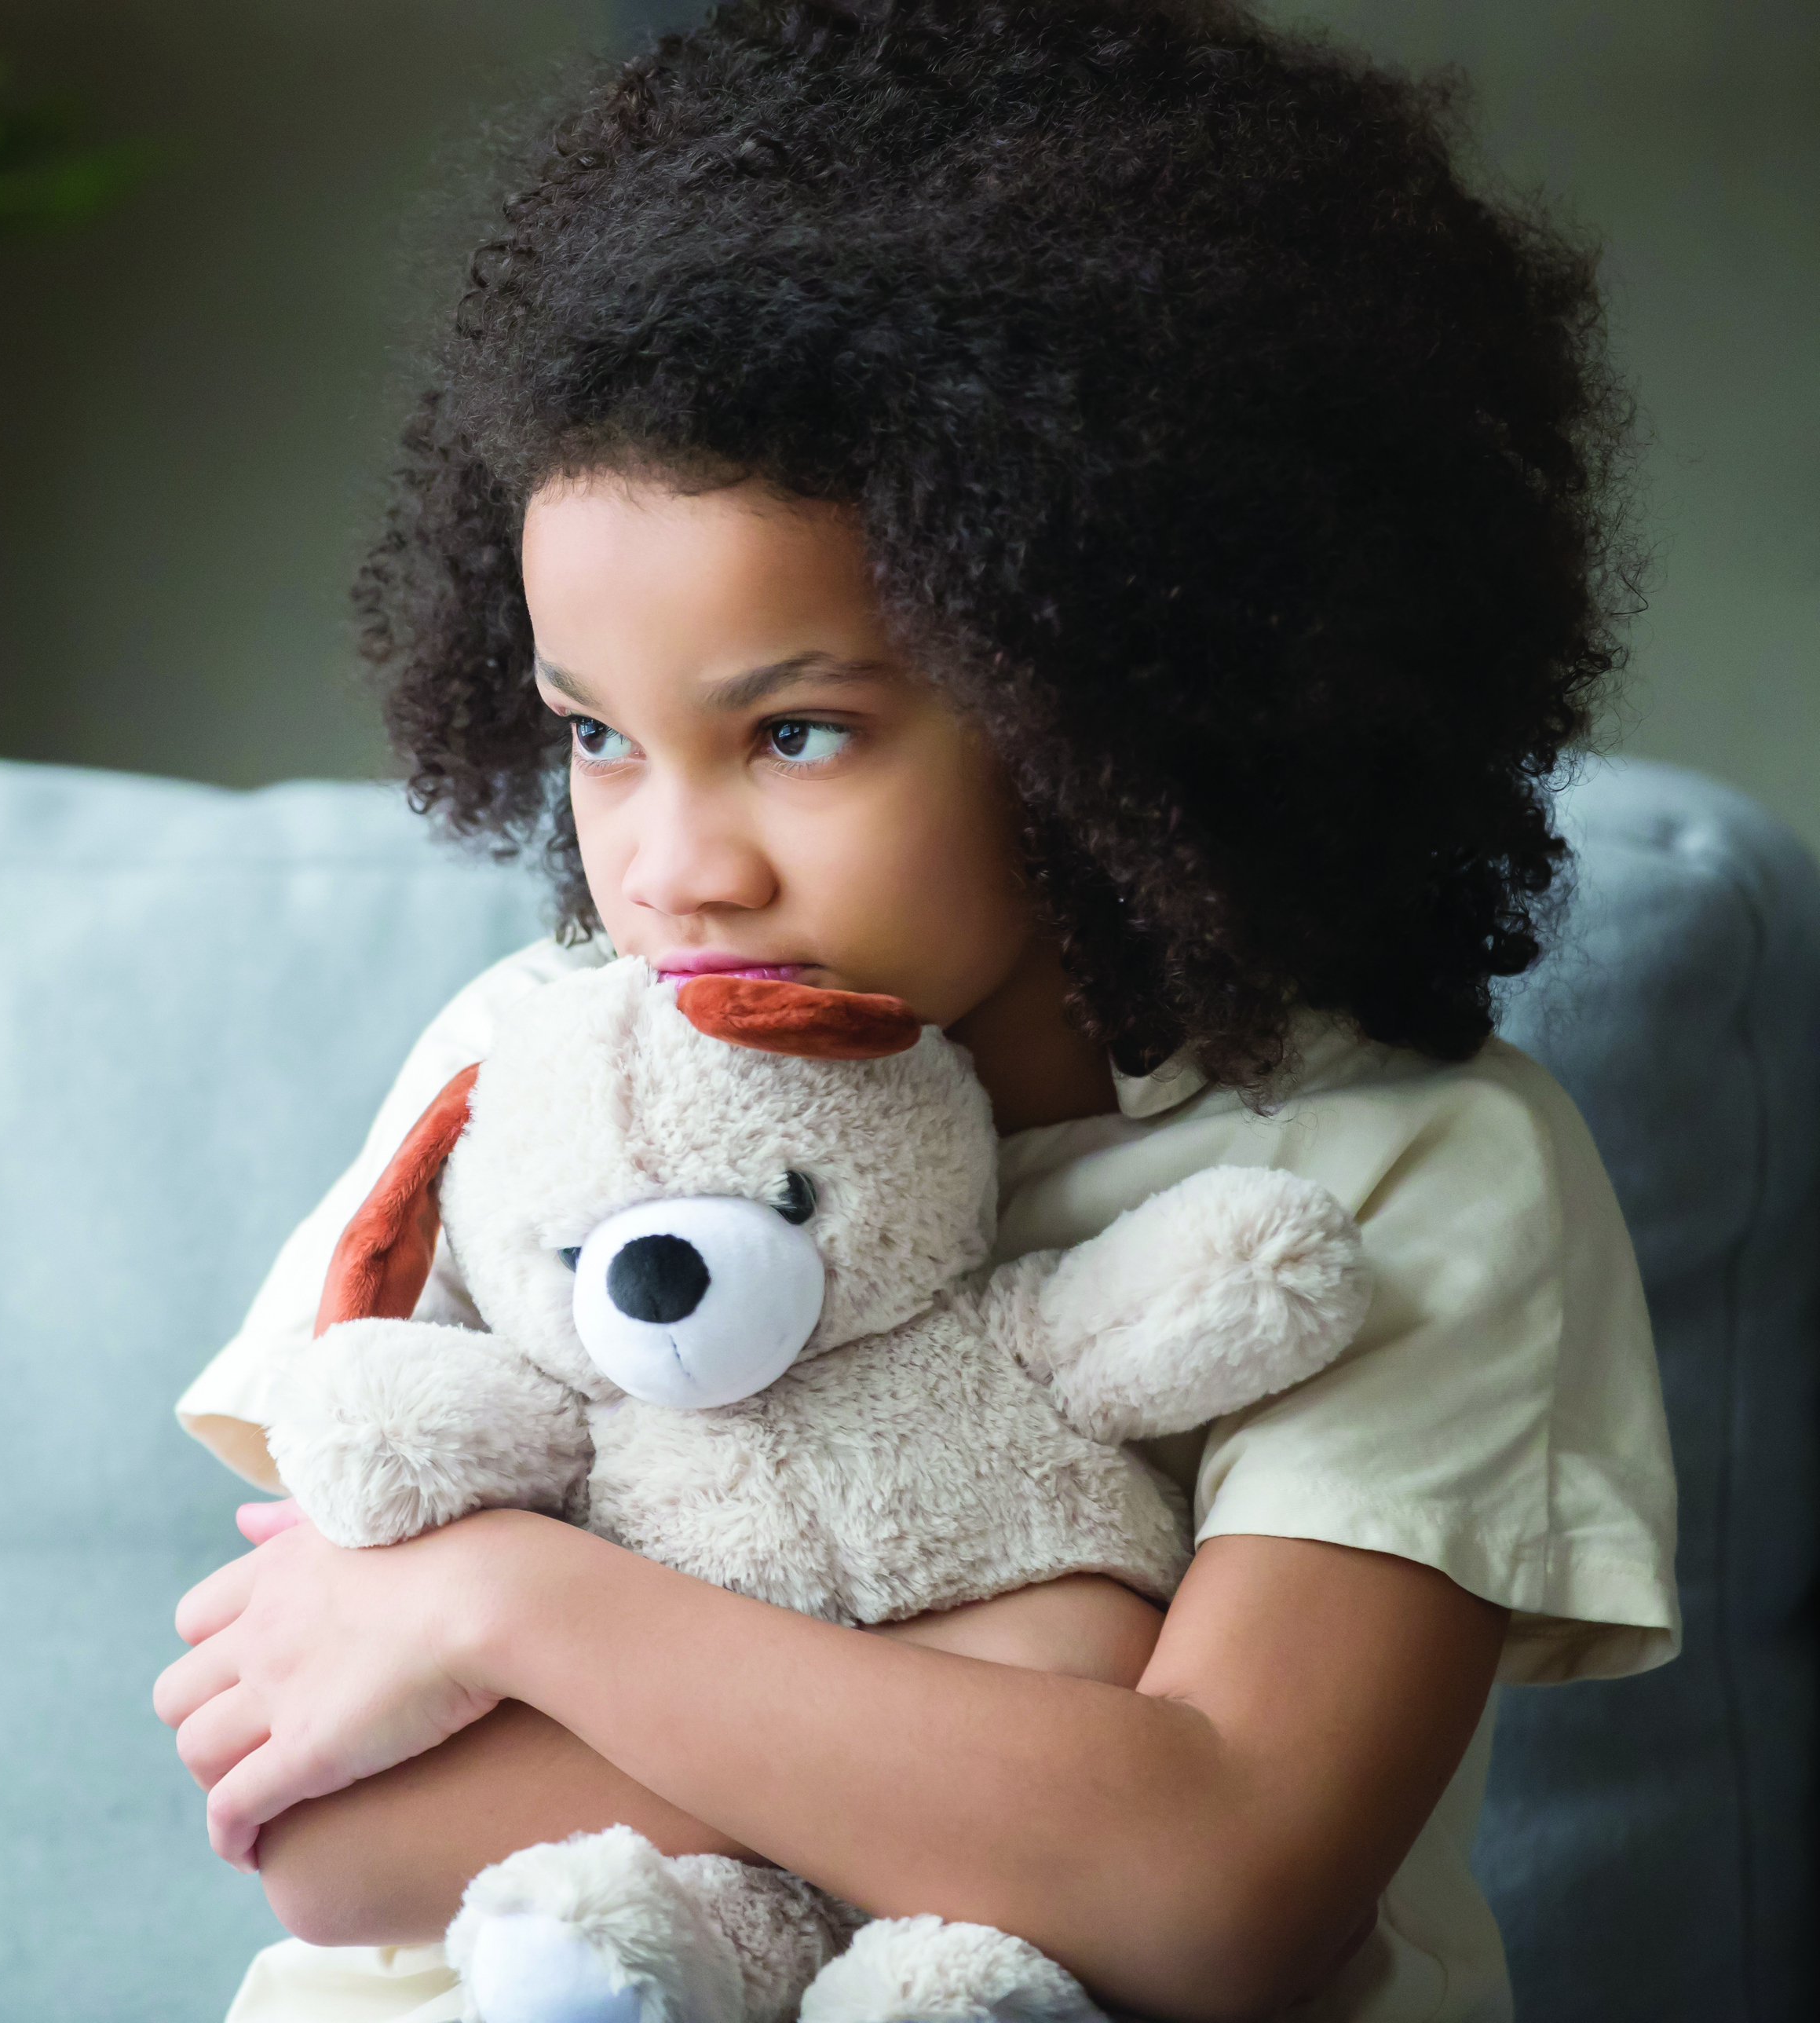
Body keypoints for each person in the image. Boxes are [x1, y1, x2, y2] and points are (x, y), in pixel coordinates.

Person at [150, 3, 1677, 2019]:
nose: (674, 868)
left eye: (796, 731)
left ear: (1119, 694)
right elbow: (326, 1841)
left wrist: (505, 1604)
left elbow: (1211, 1891)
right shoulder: (530, 1070)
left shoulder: (1404, 1174)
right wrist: (1039, 1724)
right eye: (596, 737)